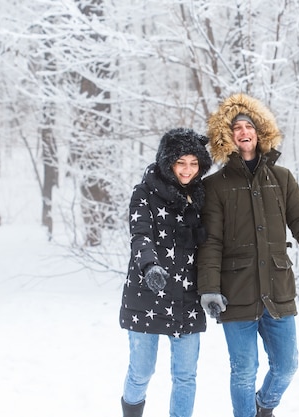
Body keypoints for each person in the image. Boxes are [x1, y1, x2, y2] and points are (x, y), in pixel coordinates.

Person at [197, 93, 299, 417]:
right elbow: (211, 242)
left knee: (287, 365)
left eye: (249, 125)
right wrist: (209, 287)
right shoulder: (215, 186)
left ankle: (264, 406)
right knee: (244, 371)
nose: (244, 132)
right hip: (236, 294)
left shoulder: (282, 178)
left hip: (277, 291)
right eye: (236, 128)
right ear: (227, 137)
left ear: (260, 132)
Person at [119, 128, 212, 417]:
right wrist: (150, 265)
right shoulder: (145, 191)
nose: (187, 170)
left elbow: (212, 246)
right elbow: (140, 235)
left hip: (187, 296)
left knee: (186, 376)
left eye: (194, 164)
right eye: (181, 163)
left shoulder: (201, 196)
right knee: (142, 371)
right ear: (168, 162)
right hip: (147, 293)